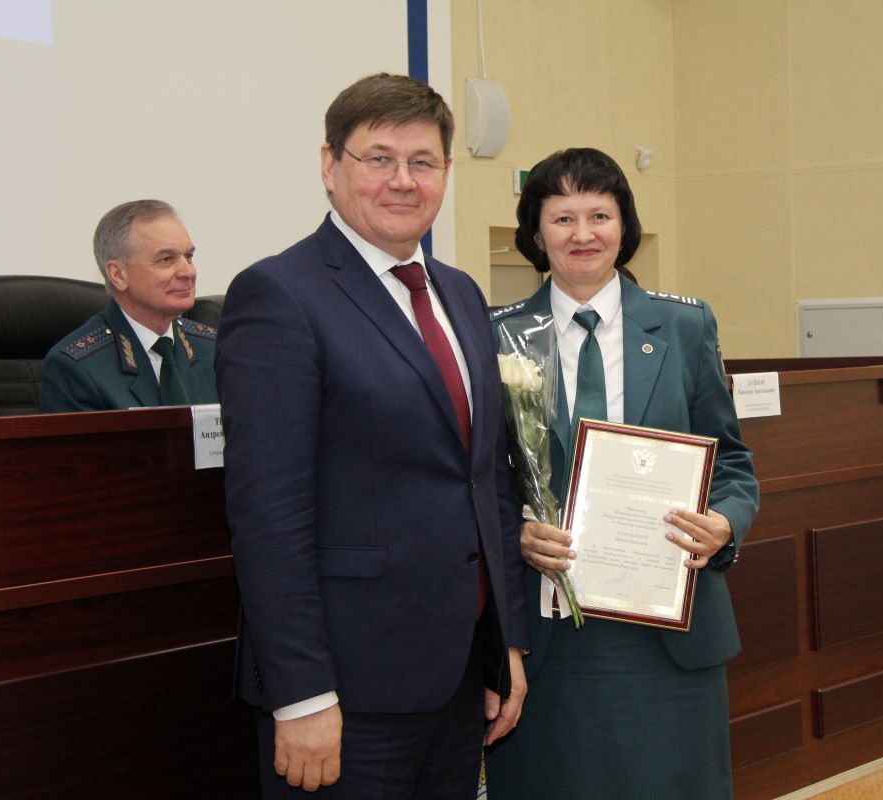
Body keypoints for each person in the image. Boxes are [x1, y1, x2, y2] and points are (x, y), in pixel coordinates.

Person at [215, 73, 529, 798]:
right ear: (330, 165)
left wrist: (505, 645)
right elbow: (269, 515)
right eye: (378, 158)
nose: (403, 181)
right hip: (344, 692)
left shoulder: (461, 293)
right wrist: (301, 693)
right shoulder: (279, 295)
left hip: (459, 677)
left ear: (446, 173)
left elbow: (488, 481)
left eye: (422, 162)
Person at [484, 148, 760, 799]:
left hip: (668, 630)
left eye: (599, 215)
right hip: (548, 634)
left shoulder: (685, 325)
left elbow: (733, 464)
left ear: (624, 225)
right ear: (536, 233)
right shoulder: (495, 335)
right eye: (563, 218)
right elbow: (479, 481)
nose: (582, 234)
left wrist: (723, 524)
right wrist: (515, 535)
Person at [38, 200, 217, 412]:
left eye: (188, 256)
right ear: (118, 275)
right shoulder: (76, 367)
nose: (188, 272)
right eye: (166, 259)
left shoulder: (215, 348)